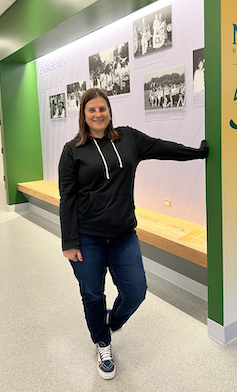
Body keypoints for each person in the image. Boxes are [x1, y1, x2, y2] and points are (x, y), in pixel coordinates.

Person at [58, 88, 208, 380]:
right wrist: (69, 242)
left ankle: (112, 321)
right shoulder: (72, 150)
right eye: (92, 110)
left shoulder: (128, 139)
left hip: (123, 234)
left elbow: (163, 148)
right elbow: (68, 198)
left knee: (136, 292)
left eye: (102, 108)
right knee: (92, 293)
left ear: (109, 111)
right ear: (83, 115)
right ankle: (102, 342)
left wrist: (198, 153)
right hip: (87, 236)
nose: (98, 114)